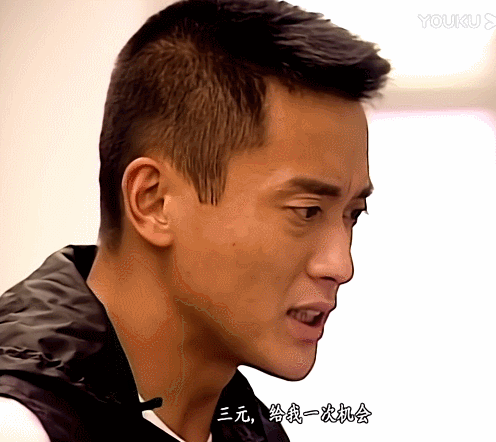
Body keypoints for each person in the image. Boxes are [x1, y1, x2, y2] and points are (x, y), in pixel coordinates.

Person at [0, 0, 390, 441]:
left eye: (352, 215)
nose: (340, 266)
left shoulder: (252, 430)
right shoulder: (21, 427)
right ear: (154, 201)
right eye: (306, 211)